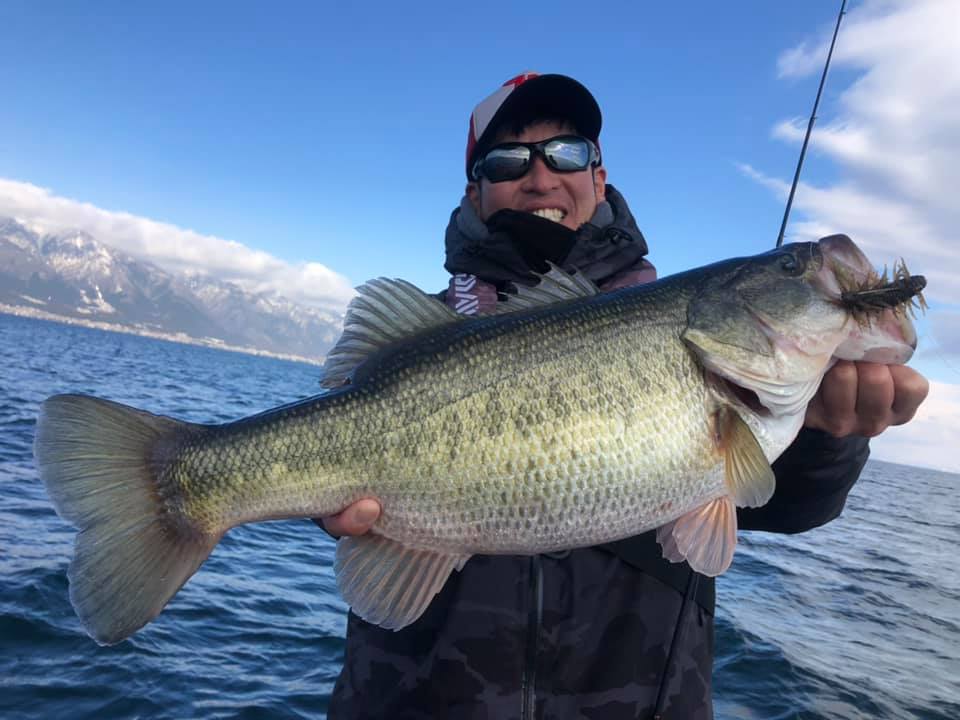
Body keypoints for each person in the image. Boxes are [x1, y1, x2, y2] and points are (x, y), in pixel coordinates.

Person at [321, 72, 929, 719]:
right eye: (507, 161)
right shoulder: (422, 337)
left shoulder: (697, 340)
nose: (541, 177)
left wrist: (828, 438)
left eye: (567, 153)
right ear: (475, 190)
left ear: (599, 176)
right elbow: (325, 447)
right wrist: (325, 500)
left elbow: (787, 505)